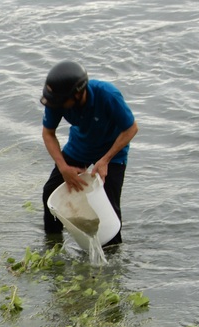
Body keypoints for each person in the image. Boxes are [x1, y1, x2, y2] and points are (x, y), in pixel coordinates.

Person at [40, 60, 138, 246]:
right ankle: (53, 244)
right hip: (80, 146)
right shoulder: (57, 100)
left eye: (62, 101)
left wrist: (105, 160)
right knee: (49, 192)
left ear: (78, 94)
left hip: (113, 150)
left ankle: (112, 252)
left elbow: (131, 128)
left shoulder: (108, 95)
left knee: (109, 205)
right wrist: (63, 167)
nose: (57, 105)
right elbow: (48, 133)